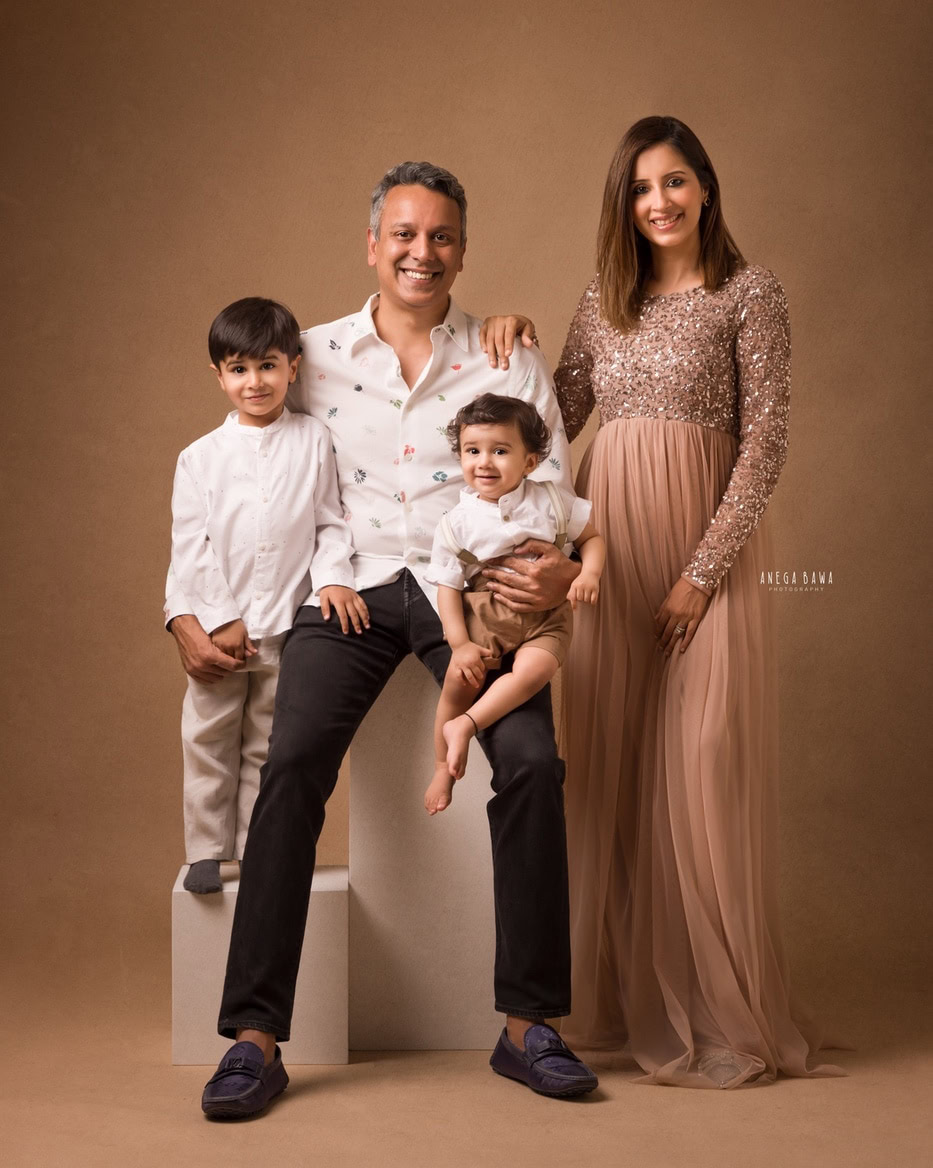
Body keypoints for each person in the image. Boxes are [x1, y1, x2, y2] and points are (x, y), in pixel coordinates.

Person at [166, 162, 600, 1117]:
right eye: (403, 234)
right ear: (372, 245)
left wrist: (563, 569)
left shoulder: (503, 356)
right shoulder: (309, 353)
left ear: (461, 250)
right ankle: (252, 1036)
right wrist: (189, 604)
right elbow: (229, 462)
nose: (421, 251)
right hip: (351, 592)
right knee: (291, 765)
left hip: (476, 598)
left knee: (530, 760)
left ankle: (529, 1025)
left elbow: (558, 486)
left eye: (440, 236)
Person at [485, 117, 842, 1088]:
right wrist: (513, 340)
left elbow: (765, 442)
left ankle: (719, 1009)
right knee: (616, 763)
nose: (660, 202)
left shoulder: (749, 291)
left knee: (701, 764)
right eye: (642, 188)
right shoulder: (606, 298)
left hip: (699, 550)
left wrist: (702, 570)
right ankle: (623, 992)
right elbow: (548, 419)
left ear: (705, 187)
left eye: (675, 182)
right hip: (609, 551)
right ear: (624, 202)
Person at [169, 298, 364, 895]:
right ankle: (206, 847)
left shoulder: (314, 440)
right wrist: (219, 618)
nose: (255, 382)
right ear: (218, 375)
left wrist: (333, 576)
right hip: (221, 633)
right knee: (207, 739)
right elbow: (191, 546)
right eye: (238, 369)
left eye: (268, 366)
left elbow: (332, 521)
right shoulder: (199, 458)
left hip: (286, 625)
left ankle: (259, 849)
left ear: (293, 367)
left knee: (267, 745)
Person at [424, 393, 603, 815]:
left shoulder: (554, 502)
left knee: (534, 672)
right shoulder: (456, 524)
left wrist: (588, 573)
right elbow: (448, 588)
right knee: (459, 681)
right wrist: (460, 643)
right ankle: (441, 767)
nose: (484, 462)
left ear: (530, 462)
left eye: (499, 451)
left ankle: (466, 725)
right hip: (485, 615)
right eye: (473, 451)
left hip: (547, 618)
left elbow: (591, 539)